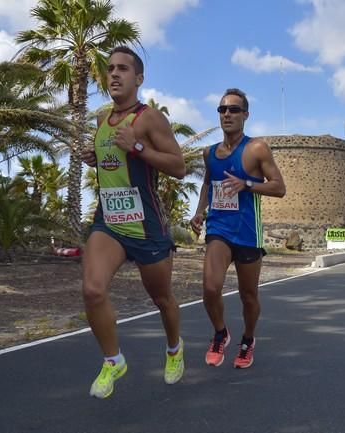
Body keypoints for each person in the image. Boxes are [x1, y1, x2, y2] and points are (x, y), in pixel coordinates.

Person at [80, 46, 186, 398]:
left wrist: (138, 148)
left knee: (162, 299)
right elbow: (112, 159)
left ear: (138, 79)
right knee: (93, 290)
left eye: (123, 68)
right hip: (108, 220)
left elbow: (179, 167)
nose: (114, 74)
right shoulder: (100, 120)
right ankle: (113, 361)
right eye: (110, 68)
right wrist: (95, 157)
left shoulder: (150, 119)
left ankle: (174, 349)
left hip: (146, 224)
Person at [190, 88, 286, 369]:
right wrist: (199, 212)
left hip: (248, 232)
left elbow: (279, 187)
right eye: (222, 110)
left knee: (248, 296)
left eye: (233, 109)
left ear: (245, 114)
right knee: (210, 288)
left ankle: (247, 340)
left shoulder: (257, 148)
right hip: (218, 228)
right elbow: (208, 183)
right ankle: (220, 333)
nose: (227, 114)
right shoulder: (209, 153)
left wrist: (247, 184)